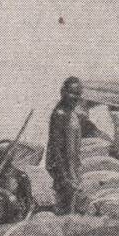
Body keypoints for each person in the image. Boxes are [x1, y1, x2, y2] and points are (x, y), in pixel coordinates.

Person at [46, 77, 85, 215]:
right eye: (72, 93)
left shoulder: (71, 113)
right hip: (63, 170)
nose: (75, 98)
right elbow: (56, 148)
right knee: (66, 209)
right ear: (63, 92)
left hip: (72, 168)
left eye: (78, 94)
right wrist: (65, 177)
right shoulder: (59, 115)